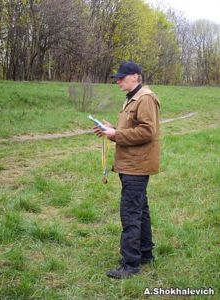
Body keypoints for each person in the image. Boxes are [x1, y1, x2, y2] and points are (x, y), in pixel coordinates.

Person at [94, 61, 160, 279]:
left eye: (122, 78)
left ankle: (130, 264)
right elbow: (131, 127)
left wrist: (116, 135)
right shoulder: (133, 98)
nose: (119, 81)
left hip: (136, 165)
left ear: (136, 76)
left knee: (130, 213)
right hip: (131, 164)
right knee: (140, 209)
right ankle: (145, 253)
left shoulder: (145, 98)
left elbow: (147, 132)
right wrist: (110, 129)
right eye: (117, 78)